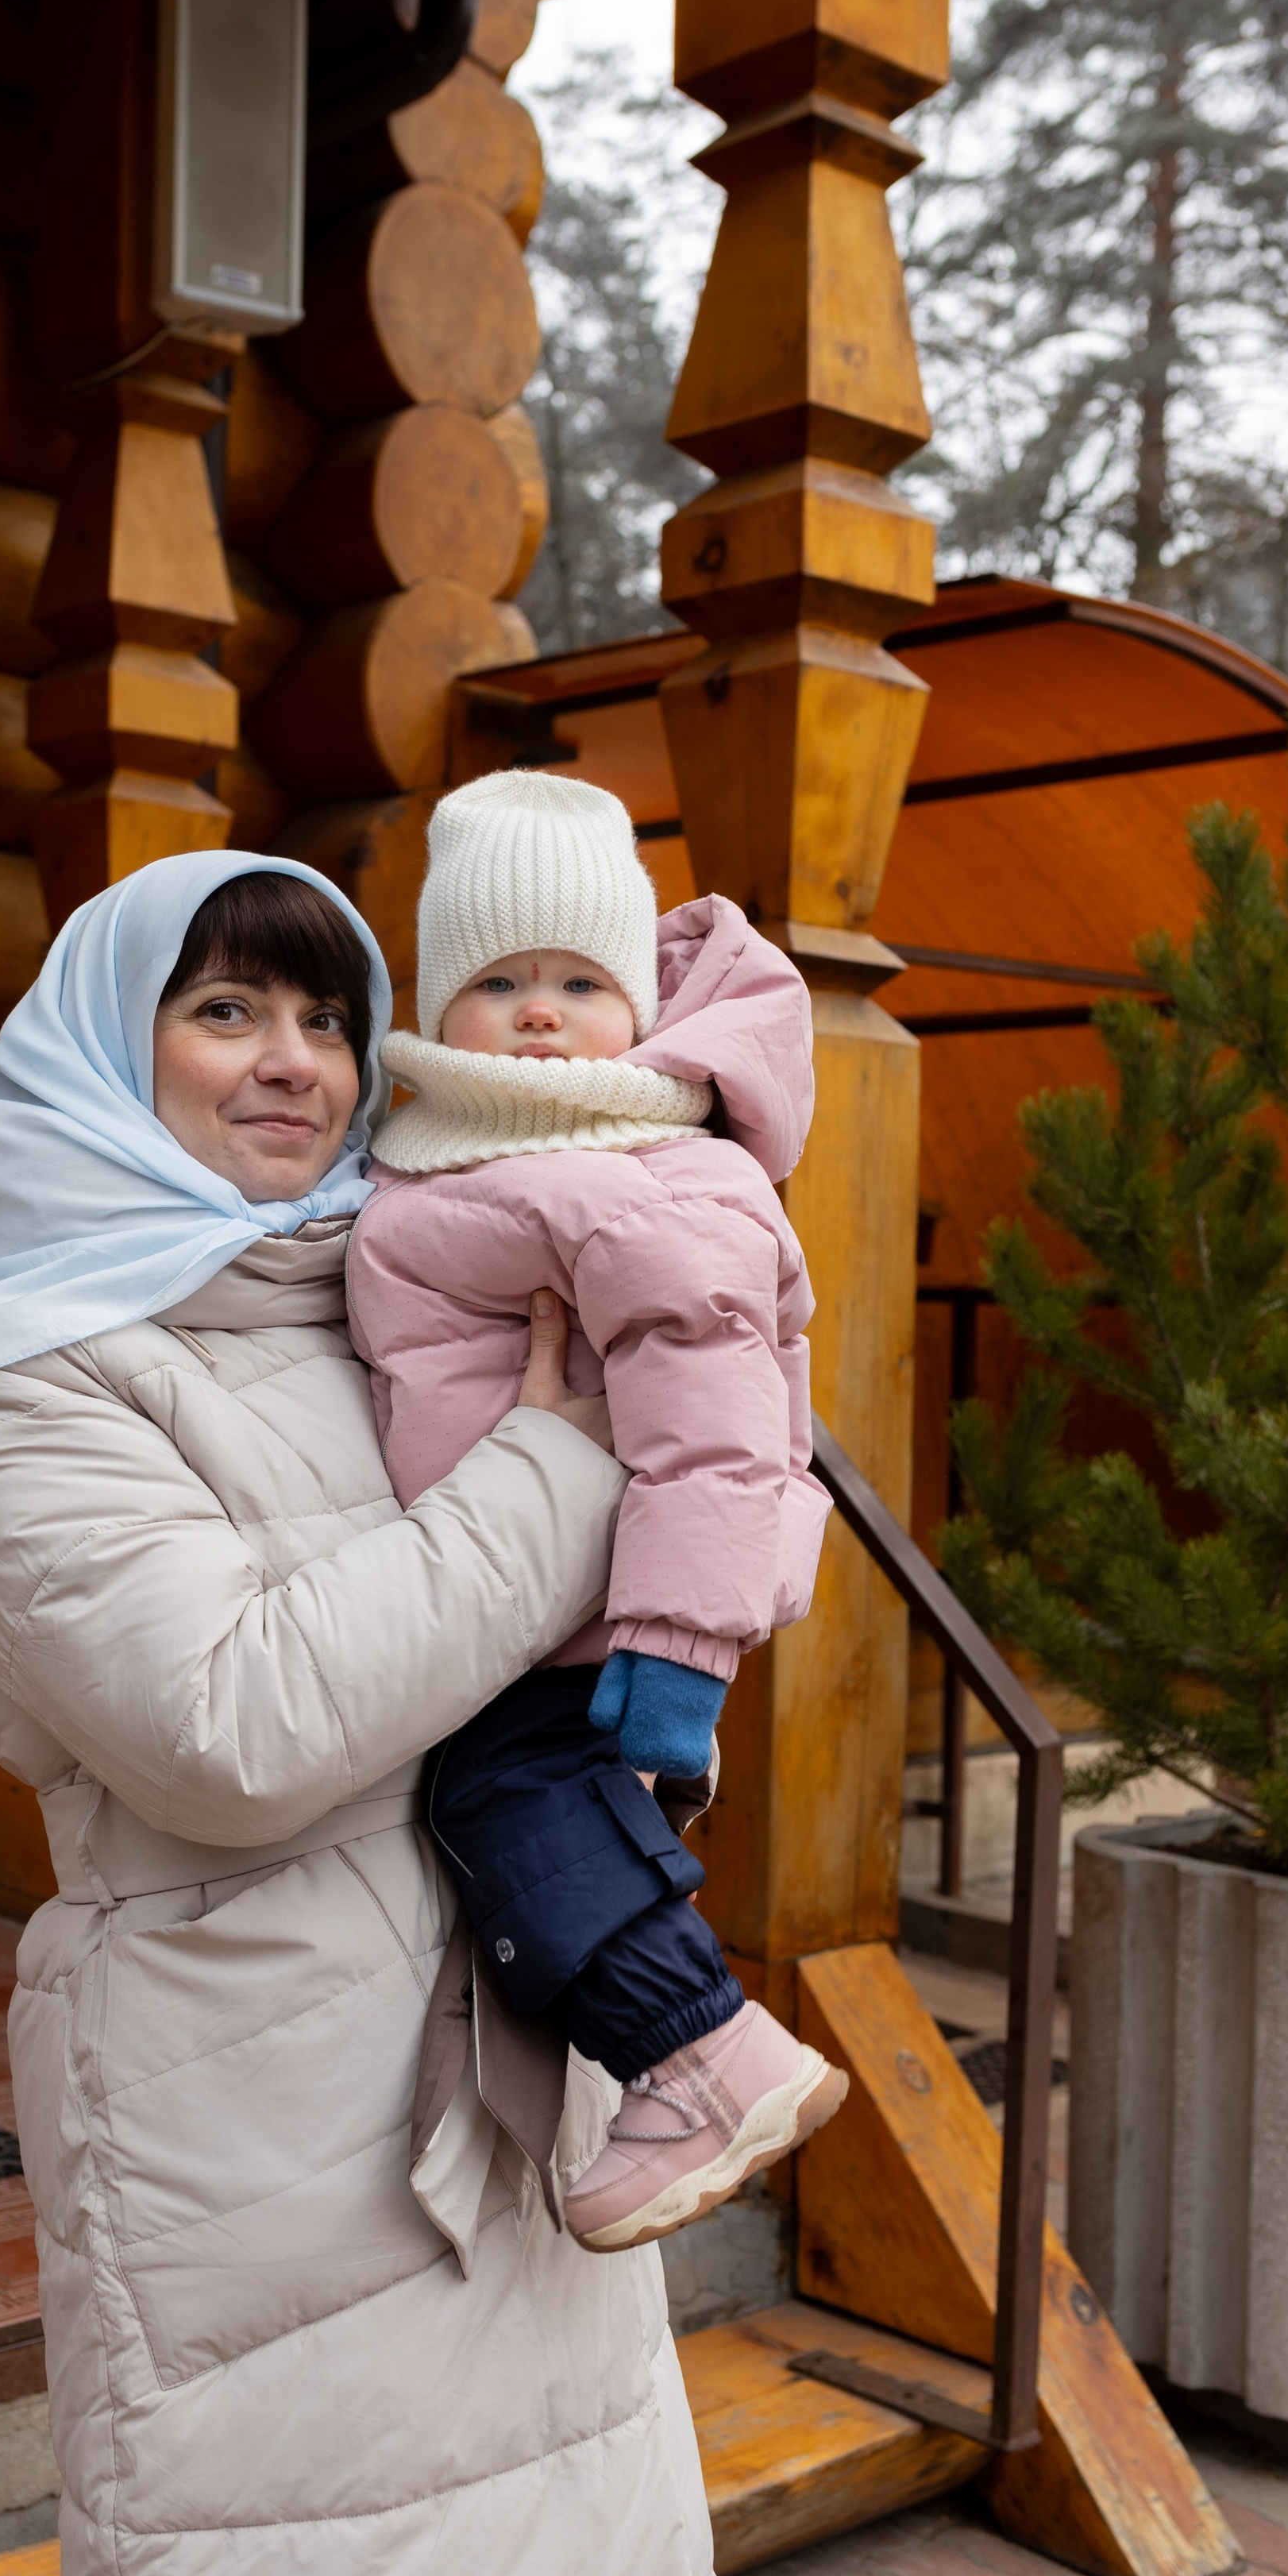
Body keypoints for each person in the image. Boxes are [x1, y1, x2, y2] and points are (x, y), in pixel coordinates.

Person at [0, 849, 750, 2576]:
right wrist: (568, 1459)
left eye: (327, 1019)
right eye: (223, 1012)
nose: (291, 1062)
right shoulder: (25, 1377)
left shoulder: (389, 1289)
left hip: (503, 2065)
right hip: (257, 2126)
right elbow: (236, 1727)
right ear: (104, 1049)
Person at [345, 770, 846, 2257]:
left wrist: (680, 1647)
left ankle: (699, 2053)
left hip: (602, 1597)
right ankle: (685, 2056)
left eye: (580, 984)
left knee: (503, 1793)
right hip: (523, 1580)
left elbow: (718, 1415)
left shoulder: (630, 1169)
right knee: (505, 1796)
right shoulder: (475, 1147)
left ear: (637, 1008)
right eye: (500, 983)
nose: (541, 1017)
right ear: (442, 1002)